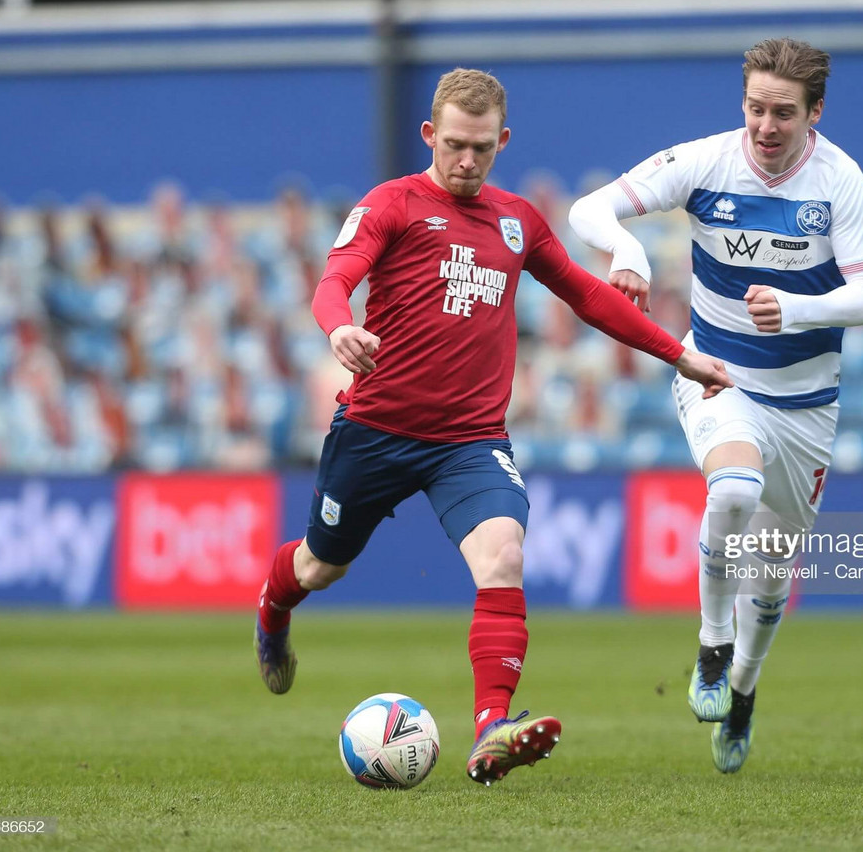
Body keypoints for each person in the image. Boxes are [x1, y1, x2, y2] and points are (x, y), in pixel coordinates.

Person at [253, 68, 731, 787]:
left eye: (481, 147)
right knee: (322, 566)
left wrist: (682, 356)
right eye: (453, 145)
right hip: (375, 429)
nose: (466, 161)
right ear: (429, 137)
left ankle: (491, 728)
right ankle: (272, 610)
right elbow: (334, 280)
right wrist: (337, 328)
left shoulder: (518, 220)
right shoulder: (391, 204)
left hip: (469, 442)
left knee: (504, 557)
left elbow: (588, 297)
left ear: (502, 140)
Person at [569, 38, 863, 774]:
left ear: (815, 113)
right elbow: (591, 209)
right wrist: (628, 251)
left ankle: (742, 689)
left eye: (783, 113)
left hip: (807, 403)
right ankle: (711, 646)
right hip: (719, 373)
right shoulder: (707, 160)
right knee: (734, 488)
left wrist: (799, 309)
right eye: (754, 109)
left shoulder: (840, 181)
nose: (766, 127)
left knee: (771, 581)